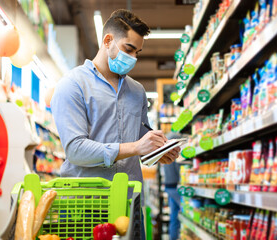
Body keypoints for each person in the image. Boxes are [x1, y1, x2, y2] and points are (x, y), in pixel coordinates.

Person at [51, 9, 180, 239]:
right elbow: (76, 150)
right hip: (85, 206)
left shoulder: (137, 91)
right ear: (108, 41)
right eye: (129, 49)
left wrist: (158, 150)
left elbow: (139, 140)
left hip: (129, 202)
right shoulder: (72, 85)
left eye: (137, 52)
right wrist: (136, 147)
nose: (133, 58)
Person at [162, 132, 182, 240]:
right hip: (176, 186)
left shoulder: (166, 148)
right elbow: (179, 169)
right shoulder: (175, 151)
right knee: (185, 214)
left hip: (169, 185)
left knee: (174, 217)